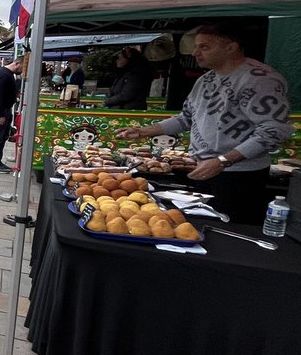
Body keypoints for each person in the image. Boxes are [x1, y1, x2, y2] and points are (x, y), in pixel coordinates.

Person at [117, 24, 292, 223]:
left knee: (230, 231)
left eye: (204, 47)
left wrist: (223, 161)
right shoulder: (205, 80)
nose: (195, 53)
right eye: (196, 47)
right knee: (201, 227)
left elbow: (273, 130)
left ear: (231, 47)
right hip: (204, 169)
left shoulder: (259, 79)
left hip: (240, 176)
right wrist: (142, 131)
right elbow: (186, 118)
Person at [0, 57, 23, 173]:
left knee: (1, 137)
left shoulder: (6, 73)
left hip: (2, 109)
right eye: (22, 67)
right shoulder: (4, 75)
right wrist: (0, 115)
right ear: (17, 64)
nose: (22, 71)